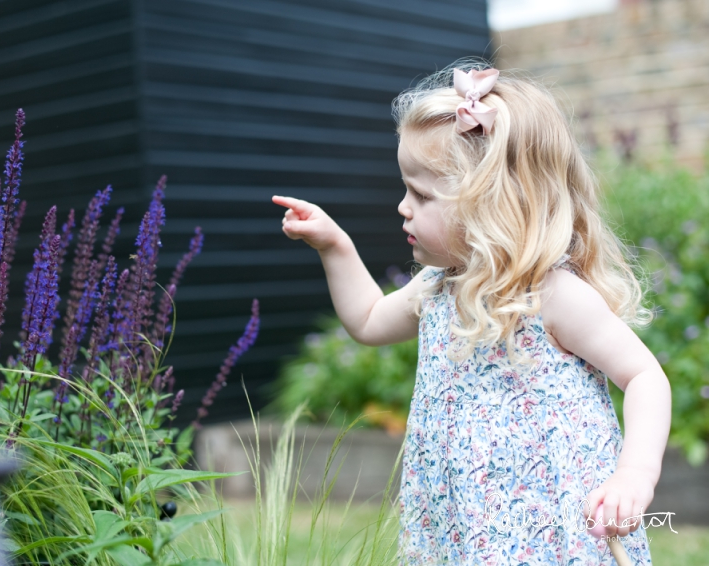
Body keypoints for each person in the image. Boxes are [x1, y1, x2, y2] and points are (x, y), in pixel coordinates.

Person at [272, 60, 670, 564]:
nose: (403, 207)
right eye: (405, 187)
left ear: (494, 202)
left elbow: (644, 377)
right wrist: (335, 246)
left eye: (422, 194)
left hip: (552, 524)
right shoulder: (438, 288)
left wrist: (634, 474)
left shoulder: (553, 296)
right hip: (463, 521)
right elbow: (369, 320)